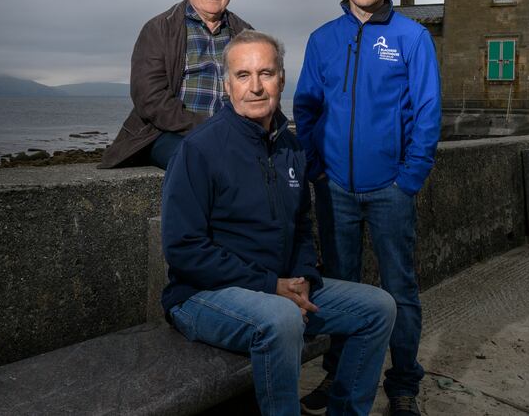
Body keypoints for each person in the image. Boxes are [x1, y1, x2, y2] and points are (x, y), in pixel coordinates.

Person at [161, 30, 397, 416]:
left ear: (282, 79)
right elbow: (183, 249)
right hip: (200, 296)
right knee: (283, 318)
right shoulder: (199, 149)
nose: (255, 87)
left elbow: (301, 225)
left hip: (280, 287)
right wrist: (269, 286)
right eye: (243, 75)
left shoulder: (290, 147)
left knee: (379, 307)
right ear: (227, 84)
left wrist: (303, 275)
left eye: (266, 73)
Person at [294, 0, 442, 415]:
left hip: (390, 189)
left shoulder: (411, 37)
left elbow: (427, 111)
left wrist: (409, 178)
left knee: (399, 288)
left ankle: (403, 386)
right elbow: (306, 108)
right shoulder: (322, 40)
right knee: (338, 286)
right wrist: (316, 169)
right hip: (333, 187)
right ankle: (339, 375)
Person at [99, 0, 252, 169]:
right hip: (168, 134)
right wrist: (210, 127)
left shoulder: (245, 35)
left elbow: (262, 88)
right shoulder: (159, 29)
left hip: (234, 133)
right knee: (202, 162)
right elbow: (149, 99)